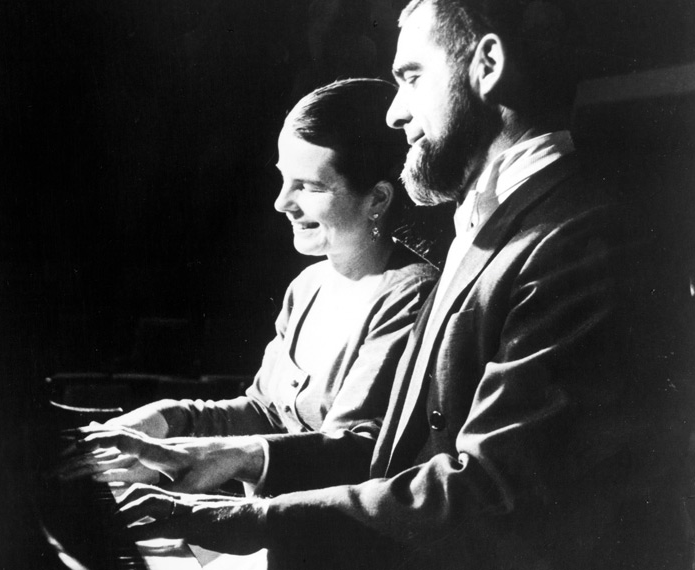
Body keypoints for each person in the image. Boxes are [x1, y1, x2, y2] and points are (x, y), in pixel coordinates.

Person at [110, 1, 692, 569]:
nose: (394, 113)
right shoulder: (489, 225)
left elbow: (491, 495)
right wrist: (220, 454)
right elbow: (395, 453)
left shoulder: (582, 239)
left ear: (487, 66)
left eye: (411, 77)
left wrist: (240, 522)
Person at [58, 78, 438, 495]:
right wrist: (165, 420)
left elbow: (356, 454)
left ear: (379, 200)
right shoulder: (309, 285)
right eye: (283, 179)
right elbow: (264, 413)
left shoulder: (411, 295)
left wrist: (227, 468)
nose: (282, 202)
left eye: (309, 187)